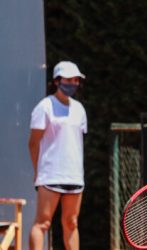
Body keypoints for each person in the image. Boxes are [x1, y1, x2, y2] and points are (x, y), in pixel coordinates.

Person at [28, 61, 87, 250]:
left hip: (75, 176)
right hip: (50, 175)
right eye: (68, 79)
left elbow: (75, 142)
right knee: (42, 223)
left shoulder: (79, 109)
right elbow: (33, 143)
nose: (73, 83)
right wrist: (38, 172)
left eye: (76, 79)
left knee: (71, 224)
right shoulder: (44, 107)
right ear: (57, 81)